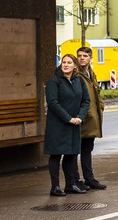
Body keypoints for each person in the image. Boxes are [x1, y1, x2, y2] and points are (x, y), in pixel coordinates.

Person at [44, 54, 88, 196]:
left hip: (75, 123)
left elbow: (86, 101)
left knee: (71, 155)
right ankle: (55, 187)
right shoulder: (54, 81)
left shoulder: (78, 80)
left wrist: (80, 117)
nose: (66, 65)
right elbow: (53, 103)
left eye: (69, 62)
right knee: (56, 155)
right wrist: (68, 118)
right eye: (64, 62)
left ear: (75, 65)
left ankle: (71, 184)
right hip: (58, 124)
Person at [74, 46, 108, 190]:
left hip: (91, 117)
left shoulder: (90, 73)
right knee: (74, 151)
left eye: (85, 56)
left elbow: (96, 92)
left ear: (90, 58)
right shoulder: (76, 74)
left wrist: (100, 105)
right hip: (81, 118)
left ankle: (89, 178)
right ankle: (75, 180)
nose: (82, 58)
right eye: (79, 56)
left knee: (87, 149)